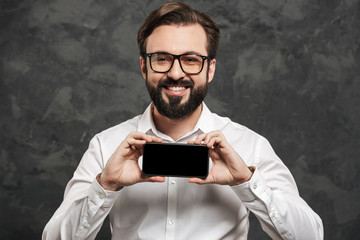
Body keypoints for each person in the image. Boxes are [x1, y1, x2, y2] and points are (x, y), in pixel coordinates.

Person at [42, 2, 323, 239]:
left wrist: (247, 182)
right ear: (143, 66)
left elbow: (312, 235)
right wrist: (105, 186)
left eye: (190, 59)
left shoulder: (250, 146)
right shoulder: (106, 145)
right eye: (162, 58)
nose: (176, 73)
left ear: (210, 69)